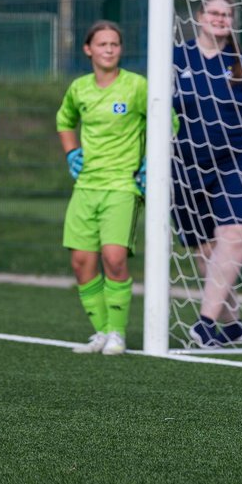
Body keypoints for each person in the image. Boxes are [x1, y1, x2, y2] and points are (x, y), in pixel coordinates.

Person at [173, 0, 242, 348]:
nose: (220, 19)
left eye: (227, 14)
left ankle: (204, 325)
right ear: (199, 16)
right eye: (214, 13)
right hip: (188, 165)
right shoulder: (176, 59)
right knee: (208, 255)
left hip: (237, 160)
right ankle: (232, 325)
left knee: (235, 237)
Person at [57, 20, 148, 356]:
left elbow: (166, 120)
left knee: (114, 258)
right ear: (88, 49)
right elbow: (64, 120)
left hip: (122, 184)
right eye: (102, 44)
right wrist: (71, 153)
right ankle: (101, 331)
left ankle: (118, 334)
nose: (109, 49)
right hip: (86, 186)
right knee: (81, 262)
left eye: (114, 44)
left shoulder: (137, 86)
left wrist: (151, 161)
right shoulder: (79, 88)